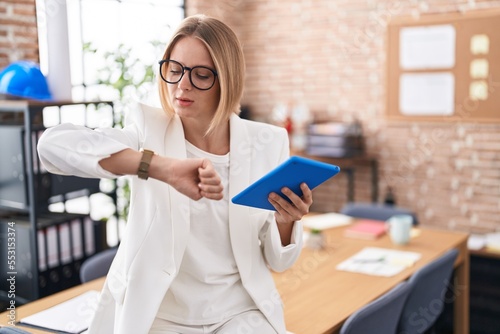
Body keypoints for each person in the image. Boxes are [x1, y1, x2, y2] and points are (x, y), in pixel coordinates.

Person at [37, 14, 312, 334]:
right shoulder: (147, 129)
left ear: (227, 79)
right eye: (175, 69)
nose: (182, 84)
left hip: (238, 312)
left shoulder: (268, 143)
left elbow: (279, 263)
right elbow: (51, 148)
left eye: (201, 75)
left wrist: (286, 220)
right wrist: (160, 168)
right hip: (161, 315)